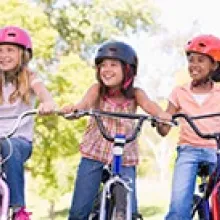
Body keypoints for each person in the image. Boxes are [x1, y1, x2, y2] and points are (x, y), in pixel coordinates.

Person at [61, 40, 172, 220]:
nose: (106, 69)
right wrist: (74, 110)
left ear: (127, 70)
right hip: (94, 153)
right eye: (102, 65)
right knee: (79, 210)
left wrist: (161, 114)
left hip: (125, 156)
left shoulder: (136, 94)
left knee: (131, 210)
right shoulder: (97, 90)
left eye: (113, 65)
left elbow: (151, 106)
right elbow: (83, 105)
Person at [156, 34, 220, 220]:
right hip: (188, 151)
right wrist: (162, 120)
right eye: (191, 60)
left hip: (215, 150)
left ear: (214, 65)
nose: (194, 65)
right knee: (179, 206)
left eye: (201, 60)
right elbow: (164, 130)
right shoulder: (179, 92)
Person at [0, 26, 56, 220]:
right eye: (0, 50)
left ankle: (18, 209)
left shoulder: (30, 78)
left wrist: (47, 103)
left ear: (22, 54)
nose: (3, 55)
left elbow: (42, 92)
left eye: (10, 50)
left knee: (10, 147)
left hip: (19, 141)